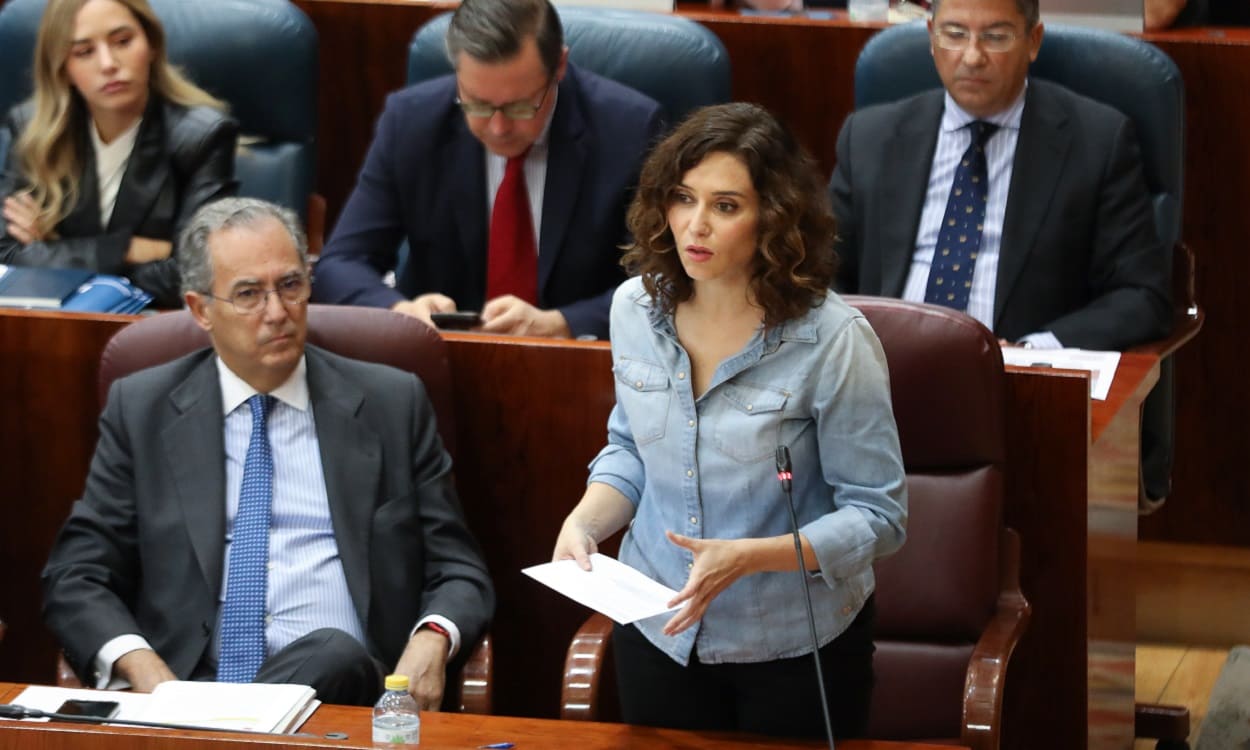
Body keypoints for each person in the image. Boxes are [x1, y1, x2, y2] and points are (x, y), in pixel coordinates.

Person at [42, 197, 495, 708]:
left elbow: (458, 568)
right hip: (185, 694)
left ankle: (224, 734)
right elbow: (76, 574)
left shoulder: (390, 404)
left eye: (290, 285)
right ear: (200, 310)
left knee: (333, 652)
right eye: (248, 295)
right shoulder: (143, 409)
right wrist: (146, 672)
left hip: (343, 698)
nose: (277, 313)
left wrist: (432, 637)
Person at [552, 103, 907, 739]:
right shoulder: (634, 309)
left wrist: (751, 558)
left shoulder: (833, 340)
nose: (695, 226)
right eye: (682, 198)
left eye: (725, 206)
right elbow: (631, 449)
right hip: (659, 632)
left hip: (792, 647)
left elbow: (879, 519)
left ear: (772, 217)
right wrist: (584, 521)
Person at [829, 0, 1171, 352]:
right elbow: (819, 272)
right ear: (932, 36)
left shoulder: (1097, 141)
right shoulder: (869, 137)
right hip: (881, 371)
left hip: (1017, 380)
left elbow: (1143, 296)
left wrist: (1033, 350)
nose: (973, 56)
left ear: (1033, 40)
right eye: (955, 34)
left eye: (995, 37)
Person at [310, 0, 663, 340]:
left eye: (520, 106)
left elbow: (662, 280)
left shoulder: (629, 131)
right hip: (440, 362)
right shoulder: (411, 123)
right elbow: (340, 263)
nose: (498, 127)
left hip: (576, 366)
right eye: (477, 103)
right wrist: (398, 312)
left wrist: (564, 323)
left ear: (559, 65)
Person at [0, 0, 238, 309]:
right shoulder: (33, 130)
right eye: (84, 52)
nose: (108, 63)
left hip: (157, 323)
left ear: (151, 45)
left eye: (123, 42)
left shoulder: (201, 137)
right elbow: (7, 255)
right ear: (64, 68)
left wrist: (55, 250)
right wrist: (125, 249)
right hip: (54, 323)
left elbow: (195, 273)